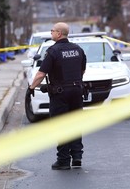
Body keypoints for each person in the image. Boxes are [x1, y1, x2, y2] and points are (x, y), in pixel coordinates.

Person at [27, 22, 87, 170]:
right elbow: (82, 70)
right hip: (77, 91)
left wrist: (31, 87)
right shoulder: (78, 49)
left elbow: (41, 73)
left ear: (59, 33)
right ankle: (77, 157)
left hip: (60, 94)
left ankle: (64, 160)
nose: (51, 33)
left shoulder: (53, 51)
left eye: (52, 30)